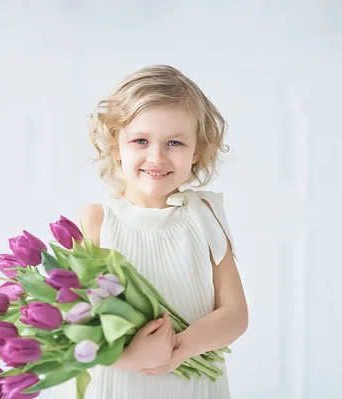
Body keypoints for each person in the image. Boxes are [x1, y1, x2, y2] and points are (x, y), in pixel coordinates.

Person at [50, 65, 248, 399]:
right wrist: (130, 357)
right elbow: (69, 326)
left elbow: (235, 315)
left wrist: (179, 349)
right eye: (140, 140)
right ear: (116, 146)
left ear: (196, 151)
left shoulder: (204, 215)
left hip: (194, 388)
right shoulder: (96, 222)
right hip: (121, 385)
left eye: (174, 142)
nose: (156, 157)